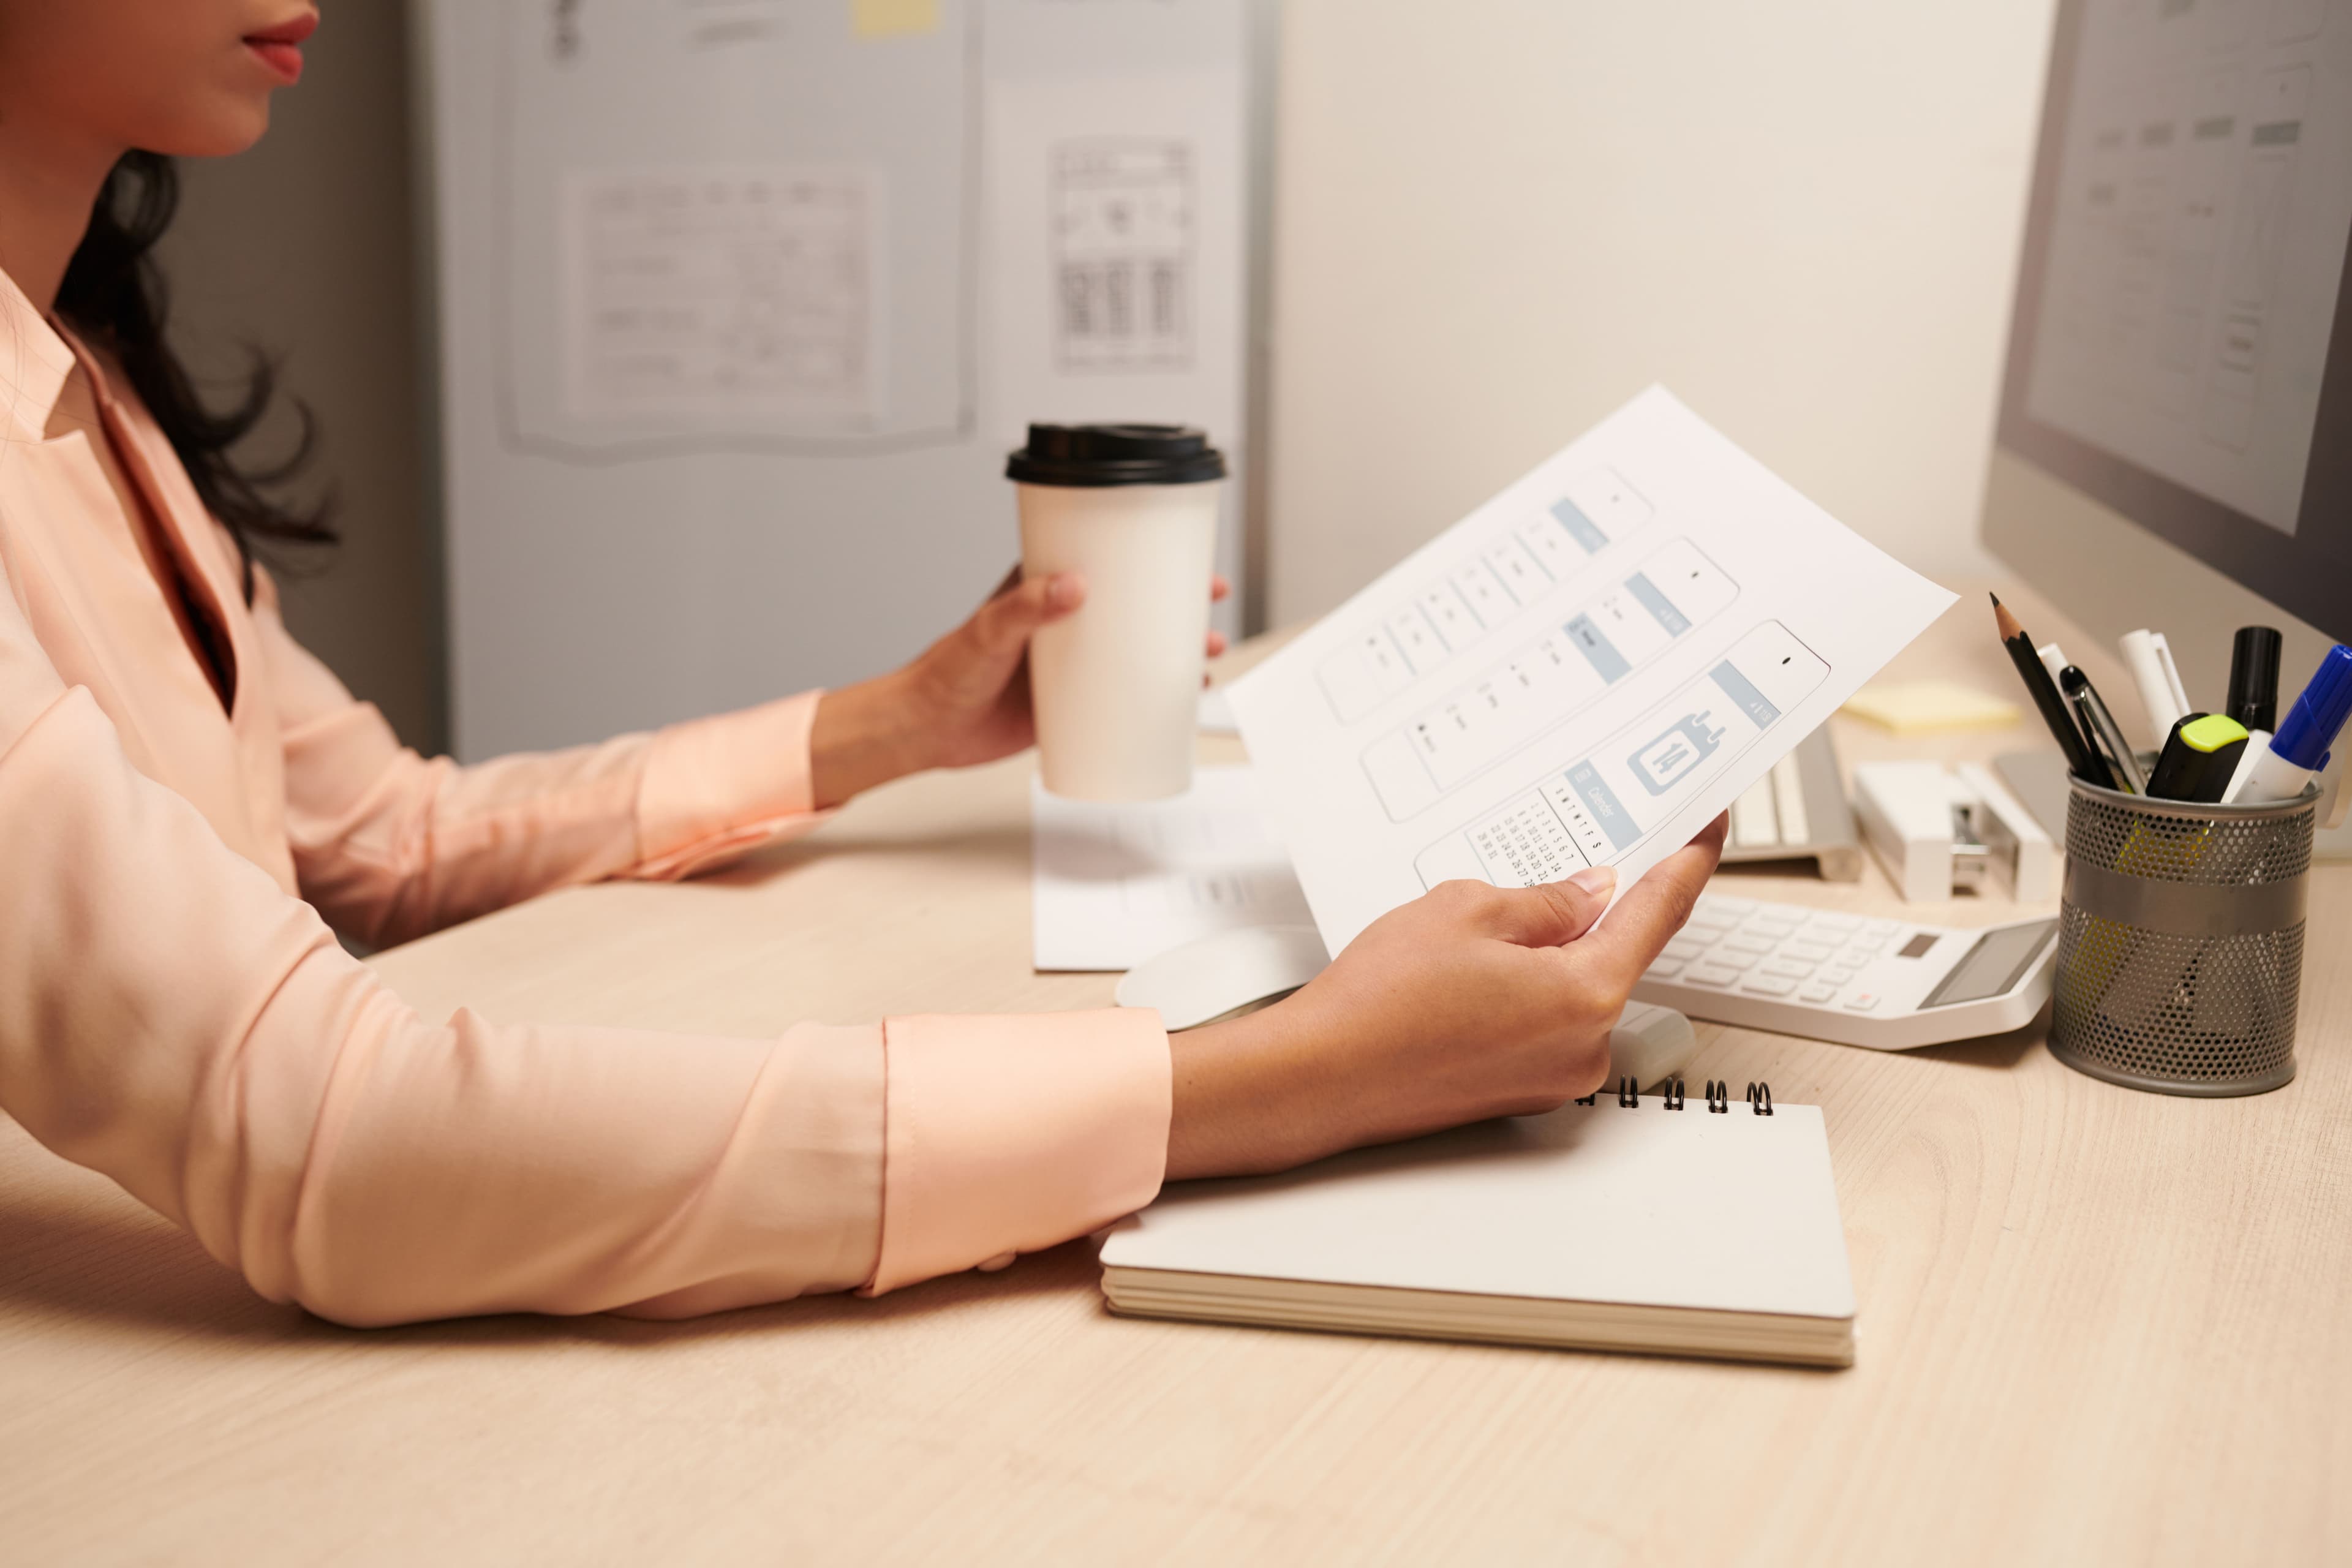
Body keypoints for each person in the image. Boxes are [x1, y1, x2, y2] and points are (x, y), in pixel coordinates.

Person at [0, 1, 1724, 1327]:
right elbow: (328, 1138)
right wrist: (1280, 1084)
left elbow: (381, 838)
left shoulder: (83, 379)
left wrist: (884, 730)